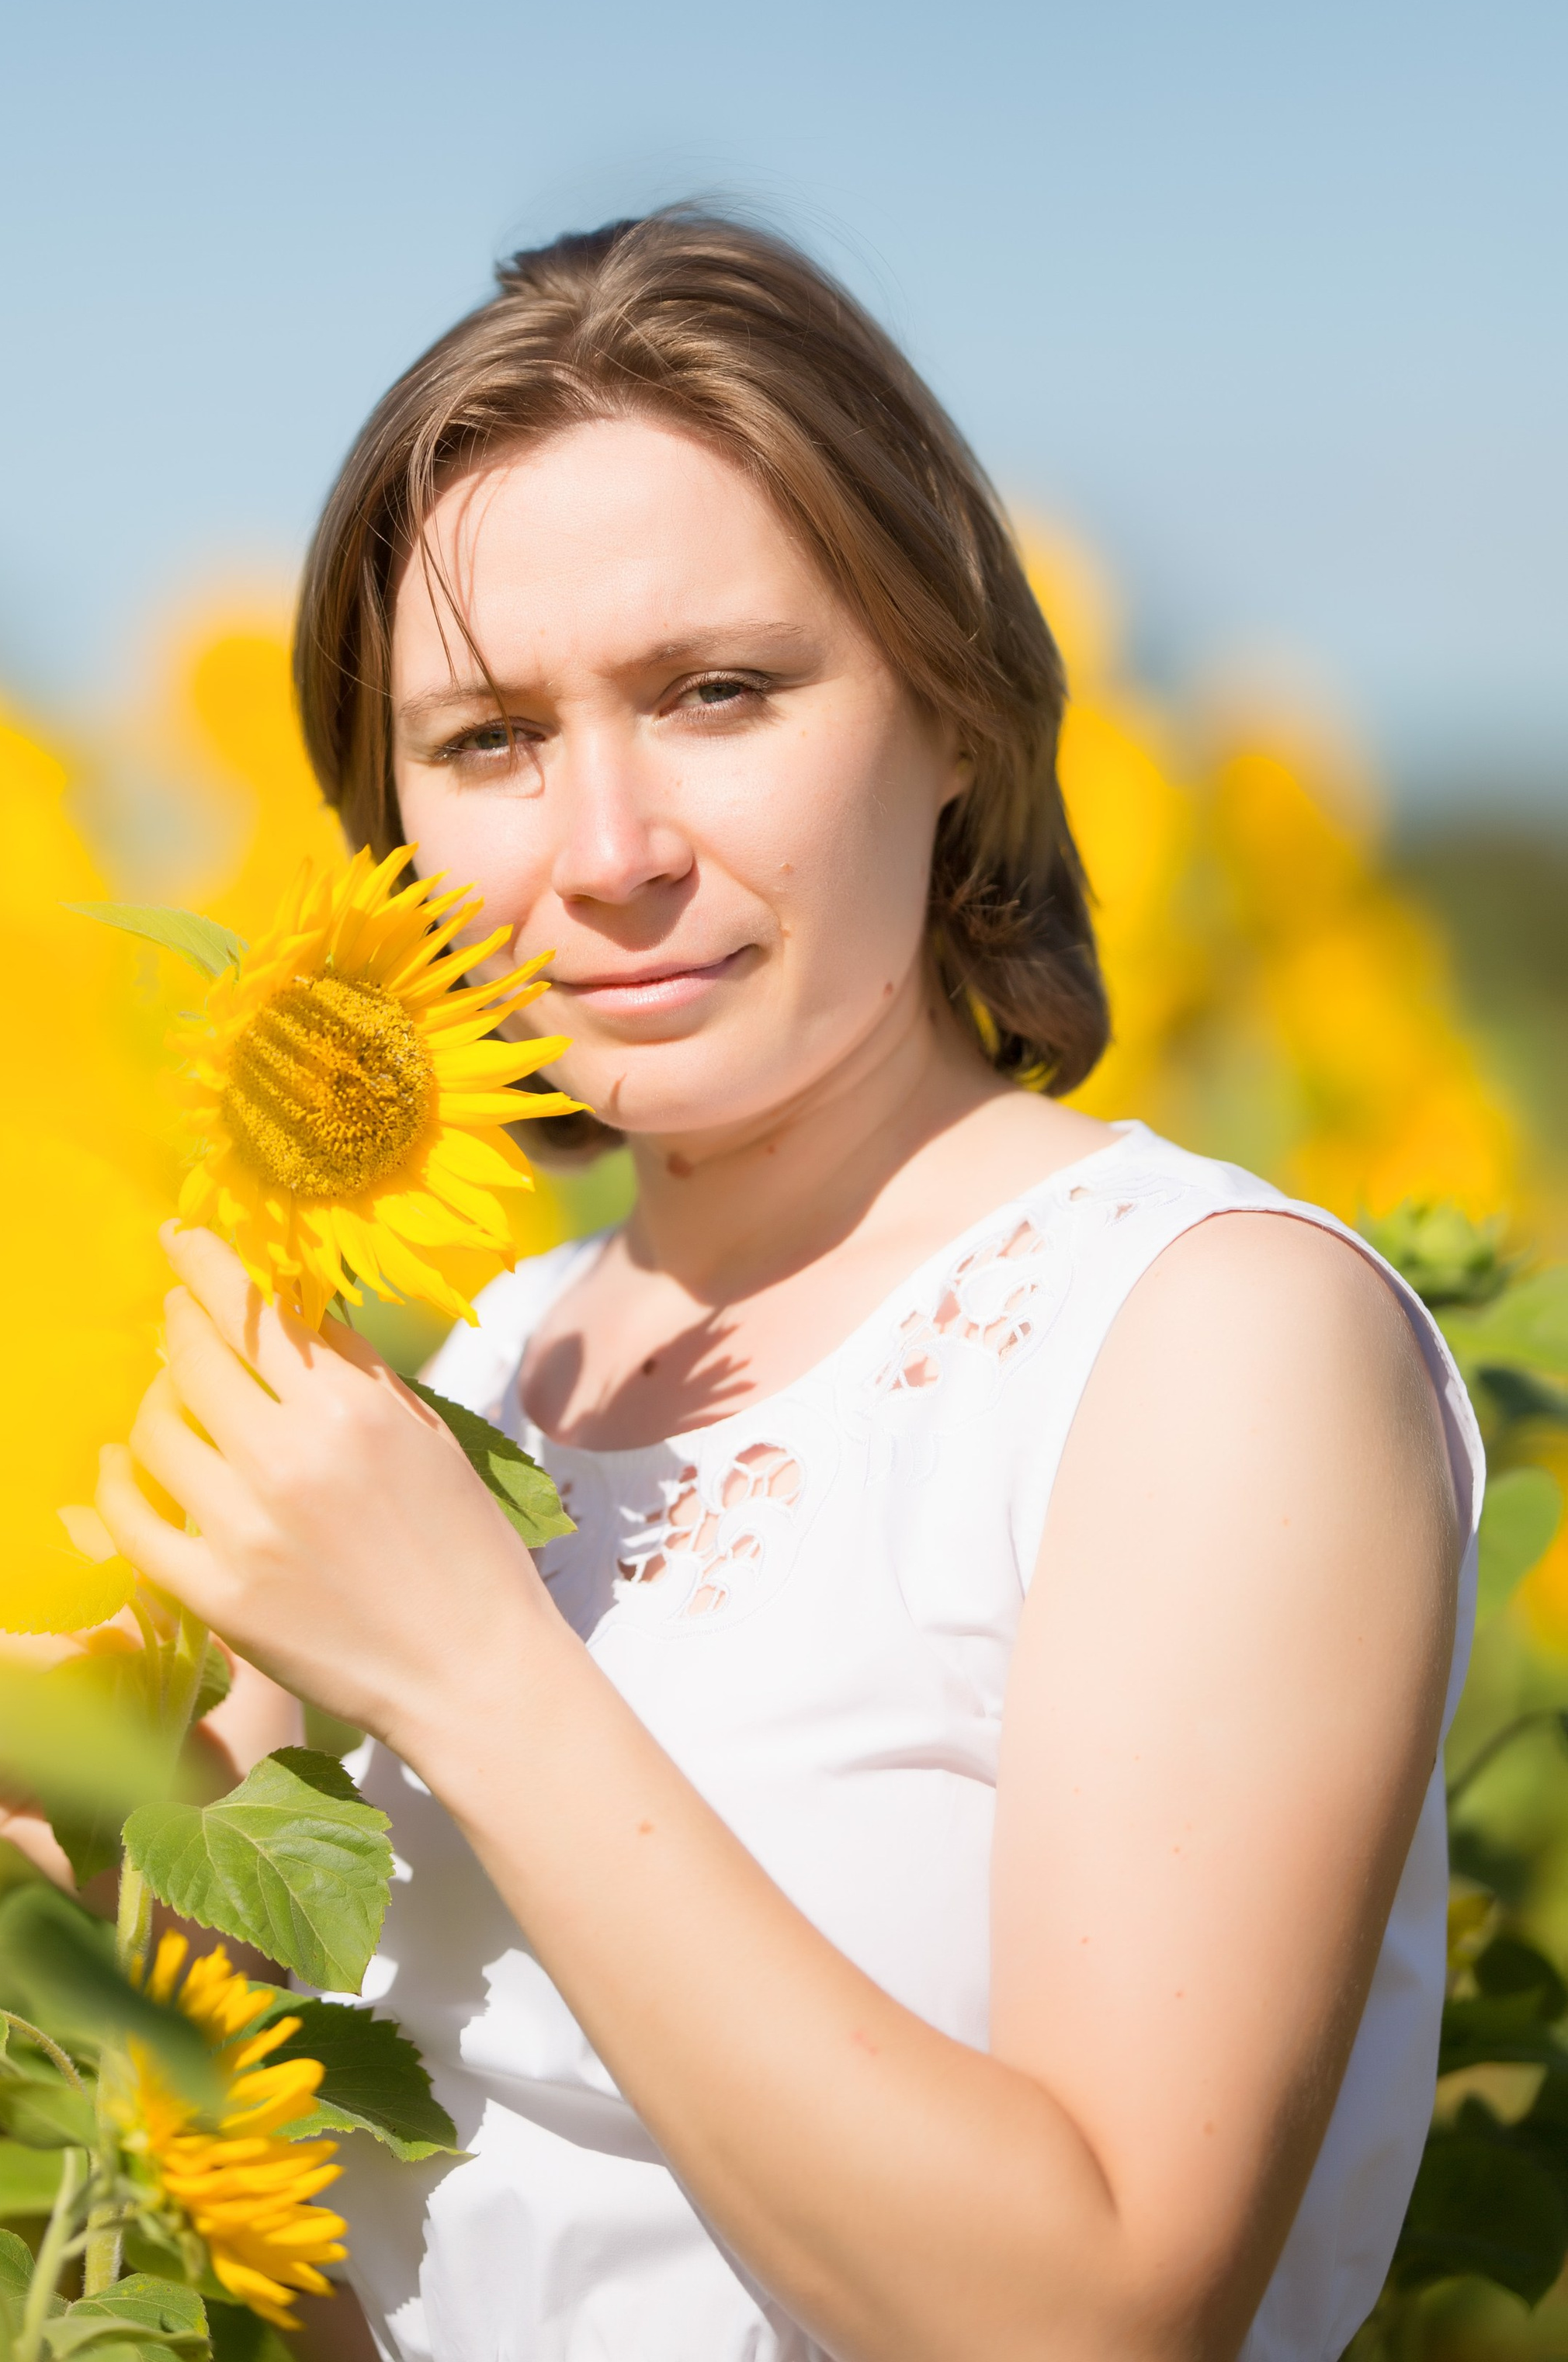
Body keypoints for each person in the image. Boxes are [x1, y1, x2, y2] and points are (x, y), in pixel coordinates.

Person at [96, 211, 1478, 2362]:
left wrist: (464, 1659)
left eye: (716, 693)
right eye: (487, 742)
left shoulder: (1205, 1342)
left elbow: (1099, 2312)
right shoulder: (492, 1362)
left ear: (953, 716)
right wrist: (112, 1834)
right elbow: (395, 2242)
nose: (607, 846)